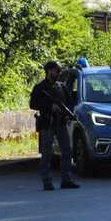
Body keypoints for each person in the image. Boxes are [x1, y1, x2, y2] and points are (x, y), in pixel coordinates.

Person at [30, 61, 80, 191]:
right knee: (47, 153)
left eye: (59, 71)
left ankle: (66, 180)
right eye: (57, 71)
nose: (59, 73)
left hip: (61, 122)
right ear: (49, 71)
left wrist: (68, 113)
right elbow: (33, 104)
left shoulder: (61, 87)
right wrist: (49, 106)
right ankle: (47, 182)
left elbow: (69, 103)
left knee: (67, 151)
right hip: (47, 123)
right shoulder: (40, 88)